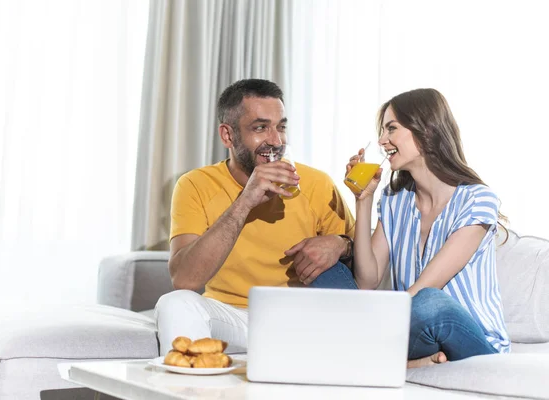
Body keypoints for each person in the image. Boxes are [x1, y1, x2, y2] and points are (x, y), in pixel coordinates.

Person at [155, 79, 356, 355]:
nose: (276, 141)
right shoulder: (195, 185)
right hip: (231, 317)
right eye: (261, 128)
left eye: (281, 127)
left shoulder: (316, 184)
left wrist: (341, 243)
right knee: (174, 303)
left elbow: (367, 266)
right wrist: (245, 201)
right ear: (227, 135)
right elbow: (184, 279)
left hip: (299, 319)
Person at [312, 88, 511, 368]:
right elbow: (367, 281)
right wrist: (364, 200)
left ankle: (365, 355)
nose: (382, 141)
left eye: (391, 129)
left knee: (431, 302)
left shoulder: (477, 199)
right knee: (324, 271)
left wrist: (363, 325)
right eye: (382, 132)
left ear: (425, 129)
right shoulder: (395, 201)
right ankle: (406, 362)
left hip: (469, 338)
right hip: (414, 329)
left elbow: (425, 289)